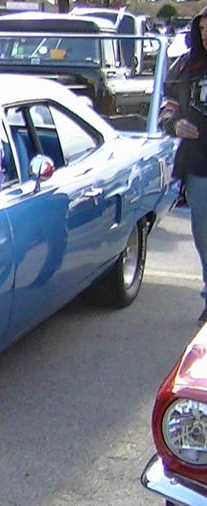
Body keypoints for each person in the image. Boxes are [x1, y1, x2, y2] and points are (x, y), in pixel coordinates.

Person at [161, 7, 207, 323]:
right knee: (204, 235)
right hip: (198, 163)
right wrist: (175, 124)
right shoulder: (185, 66)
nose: (205, 36)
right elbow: (167, 108)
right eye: (201, 30)